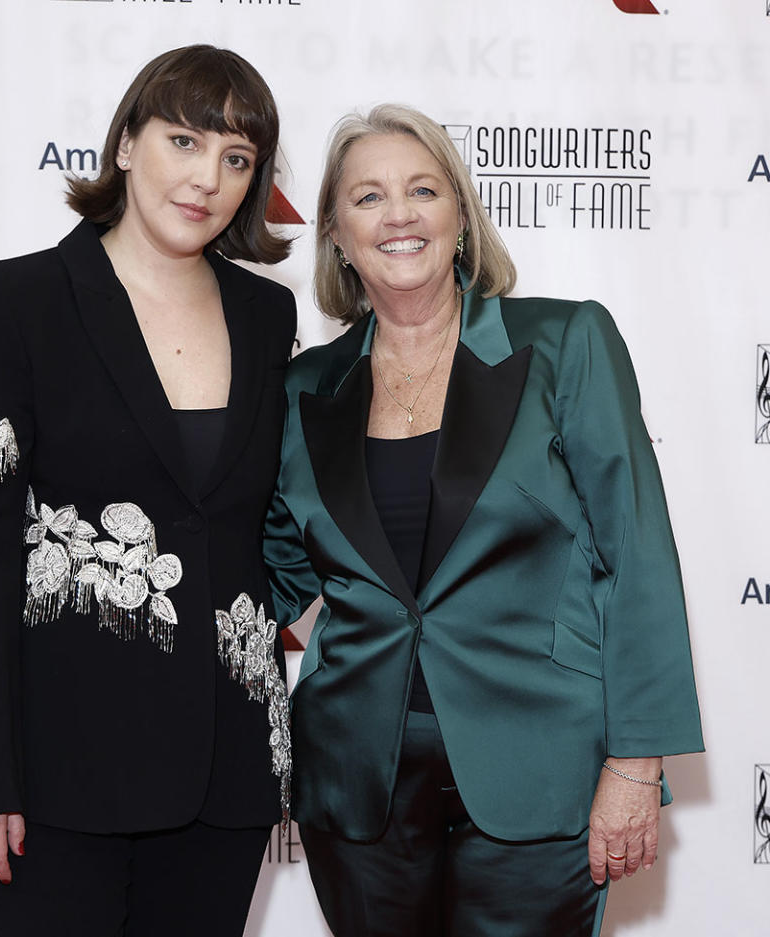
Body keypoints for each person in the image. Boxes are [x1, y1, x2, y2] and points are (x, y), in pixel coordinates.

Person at [264, 104, 704, 937]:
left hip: (538, 773)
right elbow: (276, 573)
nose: (398, 214)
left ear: (458, 215)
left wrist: (636, 763)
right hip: (357, 784)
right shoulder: (304, 388)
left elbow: (635, 555)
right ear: (334, 231)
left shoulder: (565, 342)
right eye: (368, 196)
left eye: (422, 189)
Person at [0, 44, 296, 937]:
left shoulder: (267, 315)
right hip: (55, 777)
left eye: (237, 159)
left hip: (226, 774)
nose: (207, 177)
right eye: (184, 140)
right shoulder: (10, 302)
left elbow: (262, 526)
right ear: (126, 144)